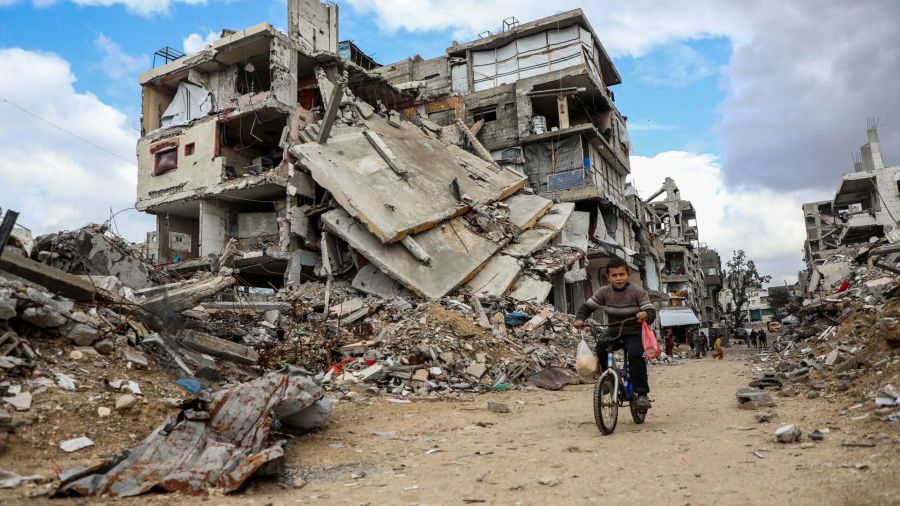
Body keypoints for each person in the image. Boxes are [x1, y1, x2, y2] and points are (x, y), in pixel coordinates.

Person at [574, 258, 656, 411]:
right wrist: (580, 319)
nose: (618, 278)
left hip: (634, 331)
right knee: (601, 346)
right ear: (608, 277)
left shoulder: (637, 291)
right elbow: (587, 307)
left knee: (635, 355)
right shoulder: (604, 292)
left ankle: (642, 394)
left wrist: (645, 314)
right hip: (614, 330)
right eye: (614, 275)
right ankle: (609, 380)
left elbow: (651, 311)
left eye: (621, 274)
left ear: (628, 275)